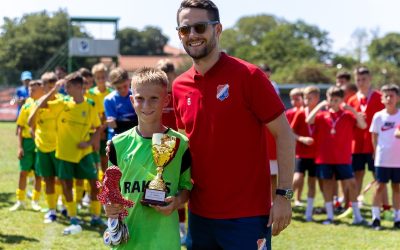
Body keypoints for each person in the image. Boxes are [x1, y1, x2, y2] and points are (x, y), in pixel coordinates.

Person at [173, 1, 295, 249]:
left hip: (247, 217)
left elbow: (284, 135)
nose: (193, 35)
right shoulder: (178, 86)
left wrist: (283, 195)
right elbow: (185, 146)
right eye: (186, 30)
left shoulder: (249, 76)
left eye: (200, 27)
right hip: (199, 215)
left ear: (217, 30)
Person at [104, 67, 192, 250]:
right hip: (128, 241)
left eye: (154, 98)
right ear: (131, 100)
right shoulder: (117, 144)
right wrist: (109, 206)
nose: (146, 106)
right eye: (140, 99)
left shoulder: (180, 144)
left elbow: (186, 188)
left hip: (164, 241)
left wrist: (176, 201)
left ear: (166, 100)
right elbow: (111, 189)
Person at [32, 73, 102, 234]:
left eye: (68, 86)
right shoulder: (62, 103)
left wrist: (90, 143)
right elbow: (40, 105)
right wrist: (53, 91)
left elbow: (98, 127)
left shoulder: (90, 105)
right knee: (67, 185)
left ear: (79, 87)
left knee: (93, 184)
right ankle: (73, 217)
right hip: (64, 154)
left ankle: (96, 216)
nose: (65, 89)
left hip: (84, 153)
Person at [306, 86, 367, 225]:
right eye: (330, 99)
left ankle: (357, 216)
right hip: (324, 157)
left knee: (351, 184)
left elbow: (363, 125)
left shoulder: (347, 115)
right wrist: (321, 105)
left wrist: (351, 109)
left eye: (336, 99)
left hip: (343, 157)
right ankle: (330, 216)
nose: (332, 102)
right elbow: (309, 120)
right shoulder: (322, 115)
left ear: (341, 100)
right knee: (327, 185)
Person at [28, 72, 65, 223]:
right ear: (43, 87)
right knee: (48, 180)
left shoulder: (62, 101)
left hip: (59, 148)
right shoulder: (35, 103)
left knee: (62, 180)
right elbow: (30, 123)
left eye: (54, 86)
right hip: (42, 148)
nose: (52, 89)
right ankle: (51, 210)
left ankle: (63, 205)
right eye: (49, 87)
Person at [347, 67, 386, 204]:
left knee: (380, 176)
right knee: (357, 174)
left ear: (370, 79)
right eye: (358, 79)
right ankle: (354, 206)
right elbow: (346, 123)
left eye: (364, 79)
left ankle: (385, 206)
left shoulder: (380, 97)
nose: (361, 82)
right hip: (356, 145)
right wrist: (356, 120)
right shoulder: (351, 100)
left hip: (375, 144)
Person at [9, 80, 44, 212]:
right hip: (27, 143)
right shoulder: (25, 106)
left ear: (41, 90)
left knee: (38, 174)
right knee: (23, 172)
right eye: (30, 89)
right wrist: (20, 147)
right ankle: (20, 200)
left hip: (41, 142)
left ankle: (35, 201)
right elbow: (20, 126)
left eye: (33, 89)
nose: (30, 91)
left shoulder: (45, 104)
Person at [369, 84, 400, 230]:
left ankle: (398, 218)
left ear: (397, 98)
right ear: (382, 99)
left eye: (392, 95)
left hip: (398, 160)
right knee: (379, 187)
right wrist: (376, 154)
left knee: (397, 187)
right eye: (386, 96)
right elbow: (374, 138)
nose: (389, 98)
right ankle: (376, 218)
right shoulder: (378, 116)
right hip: (382, 159)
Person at [291, 86, 319, 218]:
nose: (306, 101)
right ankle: (285, 201)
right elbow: (291, 132)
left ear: (317, 99)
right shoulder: (300, 113)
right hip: (301, 154)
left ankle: (309, 212)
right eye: (305, 98)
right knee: (297, 179)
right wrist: (301, 138)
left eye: (310, 98)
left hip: (316, 155)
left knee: (312, 183)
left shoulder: (321, 113)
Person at [104, 67, 138, 140]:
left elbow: (142, 119)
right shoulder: (109, 100)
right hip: (116, 138)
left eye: (125, 86)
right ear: (113, 86)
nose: (122, 90)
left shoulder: (136, 96)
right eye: (118, 88)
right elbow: (113, 125)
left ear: (129, 81)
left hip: (135, 137)